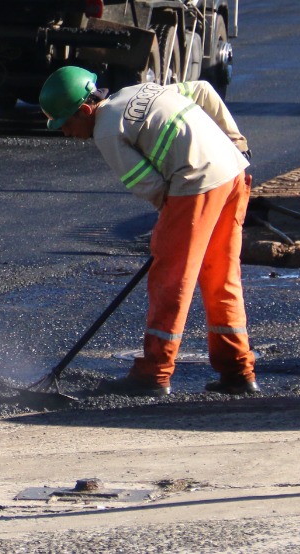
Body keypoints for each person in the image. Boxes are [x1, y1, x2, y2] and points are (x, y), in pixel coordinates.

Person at [39, 67, 258, 397]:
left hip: (196, 185)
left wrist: (172, 232)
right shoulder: (141, 90)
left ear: (85, 110)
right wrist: (236, 141)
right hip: (232, 174)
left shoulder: (107, 132)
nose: (67, 134)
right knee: (220, 276)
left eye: (66, 124)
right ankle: (238, 371)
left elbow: (152, 186)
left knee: (170, 280)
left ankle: (154, 374)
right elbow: (203, 90)